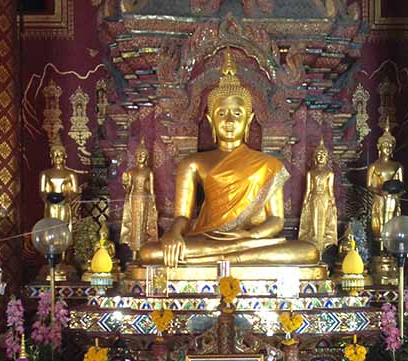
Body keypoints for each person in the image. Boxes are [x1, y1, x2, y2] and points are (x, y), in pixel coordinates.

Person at [139, 49, 319, 267]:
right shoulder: (193, 163)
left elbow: (276, 220)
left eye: (237, 113)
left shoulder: (269, 165)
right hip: (208, 239)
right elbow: (183, 218)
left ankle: (226, 258)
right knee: (149, 253)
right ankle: (230, 258)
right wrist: (172, 235)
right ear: (210, 119)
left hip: (253, 242)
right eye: (221, 113)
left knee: (308, 251)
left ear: (249, 119)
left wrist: (250, 237)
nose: (230, 120)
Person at [366, 119, 403, 251]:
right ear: (379, 147)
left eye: (389, 146)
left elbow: (401, 185)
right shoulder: (374, 166)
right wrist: (380, 191)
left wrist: (395, 192)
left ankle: (390, 250)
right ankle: (380, 250)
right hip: (379, 198)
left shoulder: (397, 166)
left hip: (392, 199)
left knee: (391, 222)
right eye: (384, 146)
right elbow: (369, 185)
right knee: (379, 223)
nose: (386, 149)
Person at [120, 138, 158, 260]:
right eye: (138, 155)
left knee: (143, 226)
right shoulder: (131, 171)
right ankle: (134, 255)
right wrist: (125, 182)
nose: (140, 157)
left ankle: (143, 254)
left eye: (143, 155)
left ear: (146, 157)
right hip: (134, 199)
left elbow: (152, 191)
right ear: (135, 156)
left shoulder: (148, 171)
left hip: (145, 200)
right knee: (134, 227)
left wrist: (154, 206)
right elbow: (128, 189)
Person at [298, 137, 337, 253]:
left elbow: (330, 190)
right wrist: (305, 201)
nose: (320, 157)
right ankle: (314, 237)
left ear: (326, 158)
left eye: (323, 155)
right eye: (319, 154)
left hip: (325, 197)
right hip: (314, 197)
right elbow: (308, 189)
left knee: (324, 218)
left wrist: (333, 203)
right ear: (315, 157)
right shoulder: (311, 173)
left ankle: (322, 239)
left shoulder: (329, 173)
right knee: (314, 217)